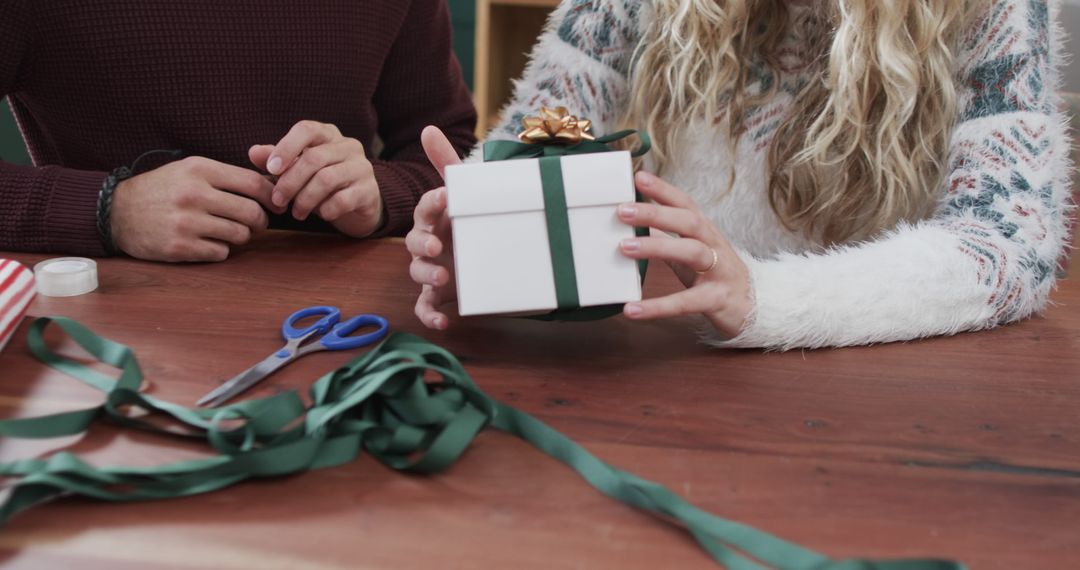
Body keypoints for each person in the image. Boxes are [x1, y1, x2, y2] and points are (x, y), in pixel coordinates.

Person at [407, 0, 1072, 349]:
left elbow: (1009, 248)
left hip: (889, 387)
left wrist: (765, 299)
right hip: (657, 370)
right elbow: (540, 130)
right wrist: (487, 242)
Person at [0, 0, 476, 262]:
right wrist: (108, 209)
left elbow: (450, 149)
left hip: (343, 330)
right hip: (101, 333)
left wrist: (378, 197)